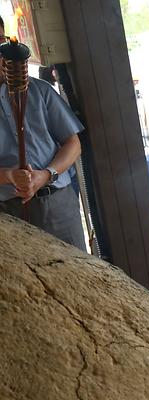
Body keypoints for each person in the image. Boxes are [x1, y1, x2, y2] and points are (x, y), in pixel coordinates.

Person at [0, 15, 85, 251]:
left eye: (0, 41)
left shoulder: (40, 91)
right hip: (8, 214)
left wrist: (46, 174)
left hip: (57, 203)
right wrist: (9, 175)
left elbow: (73, 143)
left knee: (76, 268)